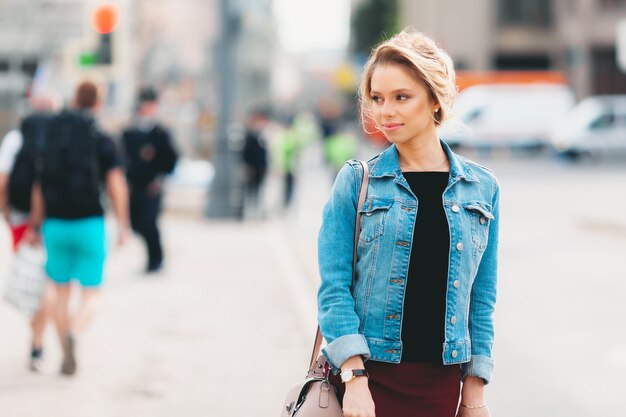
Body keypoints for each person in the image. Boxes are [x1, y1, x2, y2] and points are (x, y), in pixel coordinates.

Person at [317, 29, 500, 417]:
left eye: (402, 97)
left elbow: (480, 301)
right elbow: (334, 289)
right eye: (378, 99)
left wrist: (474, 393)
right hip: (367, 382)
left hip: (439, 387)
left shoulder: (482, 189)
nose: (386, 112)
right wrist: (354, 379)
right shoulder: (356, 181)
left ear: (435, 100)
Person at [30, 80, 130, 376]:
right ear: (97, 102)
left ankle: (63, 347)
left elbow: (39, 184)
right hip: (90, 222)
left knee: (60, 291)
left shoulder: (51, 133)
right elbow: (115, 183)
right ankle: (75, 330)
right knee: (91, 293)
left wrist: (36, 223)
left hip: (55, 223)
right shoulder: (101, 135)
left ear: (74, 98)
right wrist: (123, 222)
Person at [0, 93, 59, 372]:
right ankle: (38, 342)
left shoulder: (16, 138)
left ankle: (35, 339)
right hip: (56, 218)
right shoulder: (62, 137)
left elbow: (2, 179)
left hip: (21, 218)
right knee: (47, 282)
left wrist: (5, 212)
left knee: (29, 276)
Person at [121, 87, 178, 273]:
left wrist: (160, 179)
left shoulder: (161, 132)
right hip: (133, 185)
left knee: (149, 222)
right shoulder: (130, 130)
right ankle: (152, 258)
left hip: (152, 186)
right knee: (136, 223)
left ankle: (156, 259)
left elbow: (171, 159)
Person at [241, 108, 269, 219]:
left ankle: (257, 210)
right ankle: (249, 211)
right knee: (250, 189)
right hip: (252, 167)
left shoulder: (262, 134)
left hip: (260, 167)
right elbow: (246, 152)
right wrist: (247, 166)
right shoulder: (249, 135)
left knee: (258, 189)